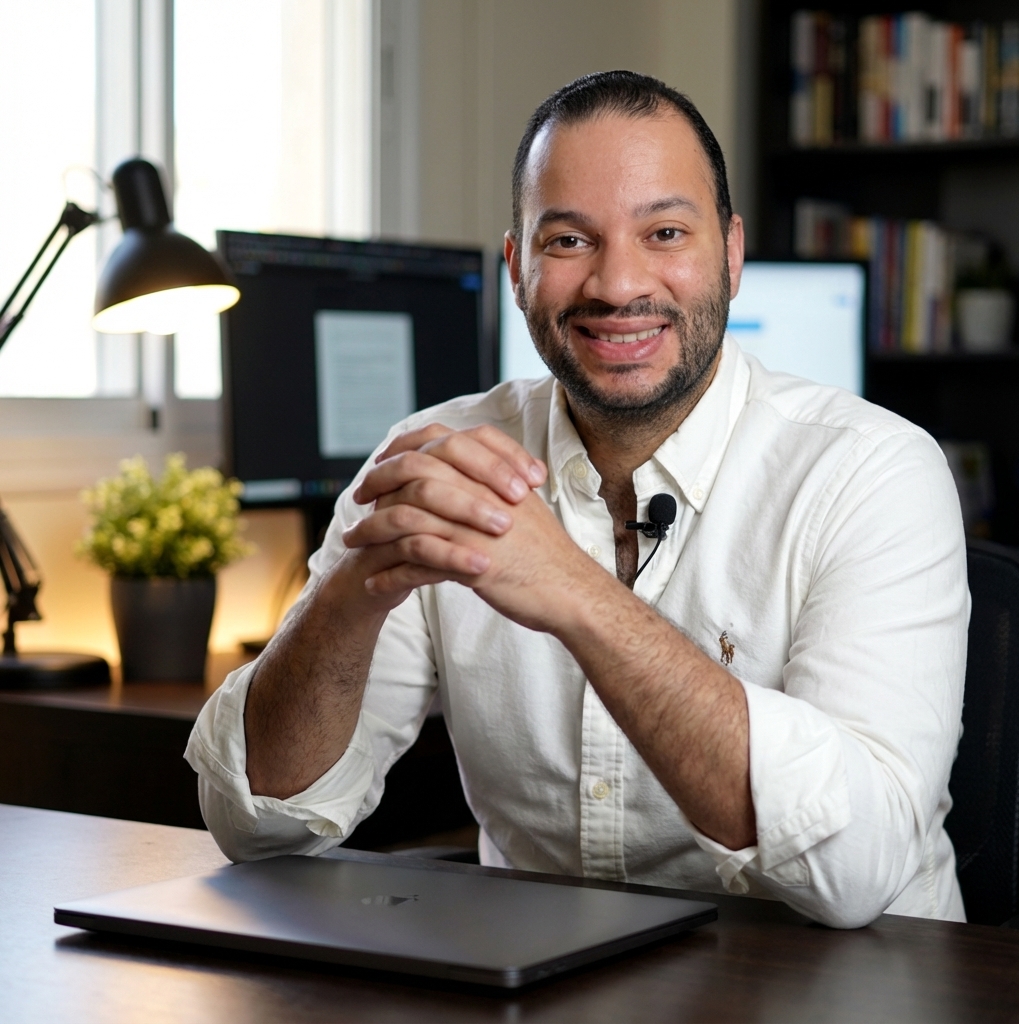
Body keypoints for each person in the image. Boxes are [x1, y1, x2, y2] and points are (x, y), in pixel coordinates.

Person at [186, 71, 968, 928]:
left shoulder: (874, 472)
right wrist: (352, 592)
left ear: (732, 254)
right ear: (517, 270)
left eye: (664, 232)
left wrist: (576, 594)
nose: (617, 284)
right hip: (543, 974)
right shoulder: (441, 460)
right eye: (568, 240)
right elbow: (258, 824)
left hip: (853, 980)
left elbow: (858, 871)